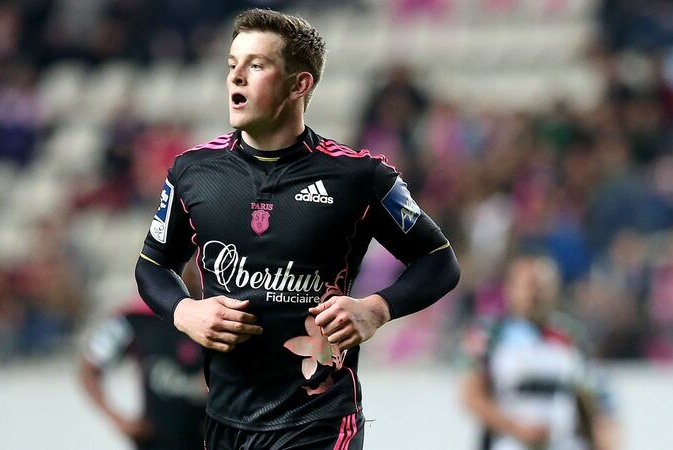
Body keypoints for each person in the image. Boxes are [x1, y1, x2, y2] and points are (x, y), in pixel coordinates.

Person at [135, 8, 460, 449]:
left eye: (256, 65)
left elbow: (439, 260)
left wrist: (377, 309)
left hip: (319, 421)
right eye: (232, 65)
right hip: (226, 422)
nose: (236, 78)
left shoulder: (359, 176)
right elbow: (152, 267)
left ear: (299, 84)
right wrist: (184, 311)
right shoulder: (192, 172)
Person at [461, 255, 618, 450]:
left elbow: (597, 395)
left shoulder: (570, 333)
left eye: (544, 285)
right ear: (511, 288)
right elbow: (471, 395)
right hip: (511, 443)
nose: (537, 293)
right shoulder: (491, 332)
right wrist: (516, 428)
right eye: (530, 285)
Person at [79, 295, 207, 450]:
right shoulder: (134, 318)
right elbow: (89, 368)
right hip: (157, 441)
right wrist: (121, 421)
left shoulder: (213, 312)